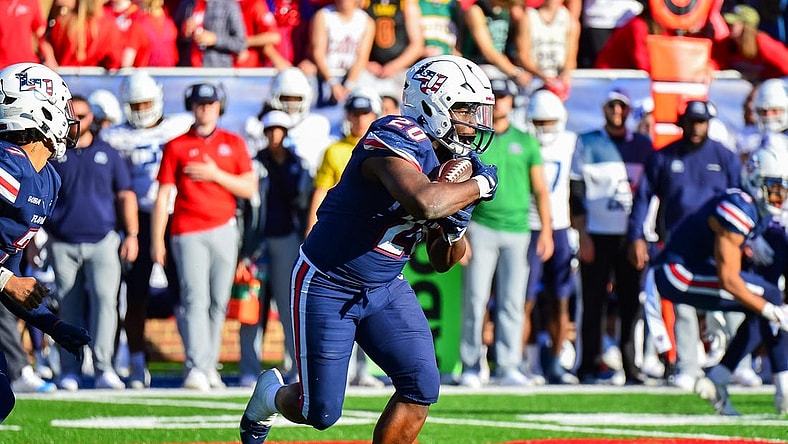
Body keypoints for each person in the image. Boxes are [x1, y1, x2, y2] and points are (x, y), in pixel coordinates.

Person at [239, 54, 499, 444]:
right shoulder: (392, 133)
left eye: (478, 110)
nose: (474, 121)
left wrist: (454, 227)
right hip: (328, 280)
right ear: (432, 103)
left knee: (421, 387)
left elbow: (443, 261)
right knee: (319, 411)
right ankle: (270, 397)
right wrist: (476, 189)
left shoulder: (455, 164)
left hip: (385, 285)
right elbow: (423, 202)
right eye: (464, 108)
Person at [650, 135, 788, 415]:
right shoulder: (739, 208)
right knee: (767, 299)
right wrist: (773, 311)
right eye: (775, 189)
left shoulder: (749, 207)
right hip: (677, 273)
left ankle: (719, 379)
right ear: (757, 182)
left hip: (689, 267)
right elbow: (729, 280)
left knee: (762, 301)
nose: (780, 197)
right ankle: (784, 386)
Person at [628, 100, 743, 390]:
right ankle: (687, 366)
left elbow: (742, 200)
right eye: (691, 121)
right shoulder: (664, 157)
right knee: (683, 304)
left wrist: (748, 239)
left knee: (733, 300)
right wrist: (636, 236)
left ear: (709, 123)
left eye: (701, 122)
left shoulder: (725, 157)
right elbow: (643, 198)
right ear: (682, 123)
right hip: (678, 243)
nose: (696, 127)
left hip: (721, 243)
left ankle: (737, 364)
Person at [0, 62, 91, 422]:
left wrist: (53, 325)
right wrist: (7, 281)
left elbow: (13, 276)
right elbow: (9, 281)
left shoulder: (46, 179)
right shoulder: (8, 165)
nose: (69, 119)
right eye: (62, 107)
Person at [151, 82, 256, 391]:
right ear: (191, 106)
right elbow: (163, 195)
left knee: (218, 303)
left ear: (218, 106)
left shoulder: (234, 143)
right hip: (187, 230)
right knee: (194, 299)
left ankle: (209, 365)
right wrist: (158, 239)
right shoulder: (176, 145)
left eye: (210, 103)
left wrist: (215, 175)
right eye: (199, 103)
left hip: (225, 229)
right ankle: (196, 365)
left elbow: (249, 189)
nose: (205, 108)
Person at [101, 71, 193, 389]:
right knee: (135, 292)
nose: (141, 110)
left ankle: (195, 361)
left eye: (146, 103)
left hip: (172, 215)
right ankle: (137, 363)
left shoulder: (178, 126)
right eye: (135, 104)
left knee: (184, 292)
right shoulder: (116, 136)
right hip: (137, 219)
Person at [459, 75, 552, 388]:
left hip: (519, 230)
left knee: (513, 302)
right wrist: (459, 233)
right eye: (495, 96)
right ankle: (472, 365)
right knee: (475, 300)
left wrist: (547, 230)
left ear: (513, 102)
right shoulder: (472, 139)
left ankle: (508, 365)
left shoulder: (526, 140)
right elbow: (458, 188)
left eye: (505, 96)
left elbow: (540, 190)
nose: (500, 102)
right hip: (480, 228)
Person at [45, 95, 138, 391]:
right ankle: (69, 370)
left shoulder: (109, 153)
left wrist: (132, 235)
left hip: (103, 240)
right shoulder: (55, 154)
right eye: (71, 115)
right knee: (67, 308)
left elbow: (126, 195)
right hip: (62, 241)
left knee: (105, 305)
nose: (76, 121)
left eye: (82, 115)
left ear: (92, 118)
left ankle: (104, 367)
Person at [569, 87, 654, 385]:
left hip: (631, 237)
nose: (617, 112)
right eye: (612, 107)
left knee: (631, 303)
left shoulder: (643, 145)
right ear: (604, 109)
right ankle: (588, 366)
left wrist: (640, 237)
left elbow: (650, 194)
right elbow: (576, 192)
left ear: (629, 111)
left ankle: (632, 367)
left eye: (622, 107)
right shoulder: (588, 141)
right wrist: (583, 235)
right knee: (593, 302)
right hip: (597, 233)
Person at [305, 87, 386, 388]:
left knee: (372, 303)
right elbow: (320, 193)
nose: (360, 119)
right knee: (342, 304)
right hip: (340, 237)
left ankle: (364, 369)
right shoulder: (335, 150)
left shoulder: (388, 150)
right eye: (355, 113)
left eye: (365, 113)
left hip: (373, 239)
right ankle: (344, 369)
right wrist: (312, 230)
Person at [237, 110, 312, 387]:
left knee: (290, 307)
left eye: (279, 130)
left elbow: (303, 202)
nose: (274, 136)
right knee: (251, 307)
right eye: (270, 131)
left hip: (287, 241)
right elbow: (245, 207)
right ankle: (248, 368)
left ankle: (295, 367)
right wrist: (243, 248)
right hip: (257, 244)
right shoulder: (254, 164)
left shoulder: (298, 165)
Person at [523, 89, 578, 385]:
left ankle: (556, 362)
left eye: (549, 122)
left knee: (560, 299)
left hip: (560, 226)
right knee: (525, 299)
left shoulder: (570, 144)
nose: (544, 128)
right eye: (539, 122)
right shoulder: (522, 142)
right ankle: (528, 363)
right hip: (527, 226)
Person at [310, 0, 375, 106]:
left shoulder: (366, 21)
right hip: (326, 75)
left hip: (352, 76)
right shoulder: (323, 15)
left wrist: (348, 85)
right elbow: (318, 53)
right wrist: (332, 83)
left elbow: (362, 57)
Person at [173, 0, 248, 67]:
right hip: (188, 71)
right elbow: (172, 39)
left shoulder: (229, 5)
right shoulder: (186, 4)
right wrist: (183, 31)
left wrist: (215, 39)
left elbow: (241, 43)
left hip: (216, 71)